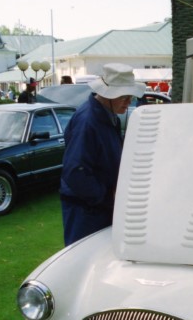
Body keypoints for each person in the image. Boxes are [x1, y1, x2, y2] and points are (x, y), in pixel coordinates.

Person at [59, 63, 145, 246]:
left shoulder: (106, 115)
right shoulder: (88, 121)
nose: (129, 102)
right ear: (107, 94)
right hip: (86, 212)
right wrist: (106, 196)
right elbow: (75, 171)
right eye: (124, 96)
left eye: (130, 96)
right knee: (84, 262)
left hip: (97, 208)